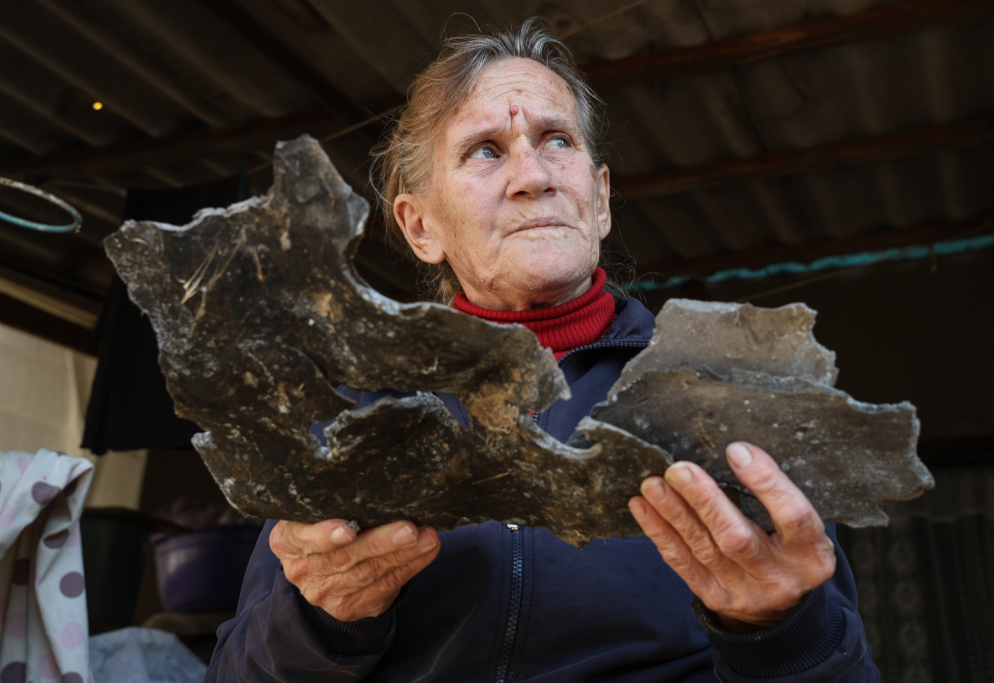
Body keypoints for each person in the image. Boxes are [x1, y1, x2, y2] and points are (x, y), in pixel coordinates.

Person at [207, 19, 877, 682]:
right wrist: (321, 619)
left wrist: (780, 629)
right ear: (420, 225)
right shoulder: (350, 416)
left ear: (602, 197)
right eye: (486, 150)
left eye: (557, 139)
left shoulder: (722, 399)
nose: (533, 175)